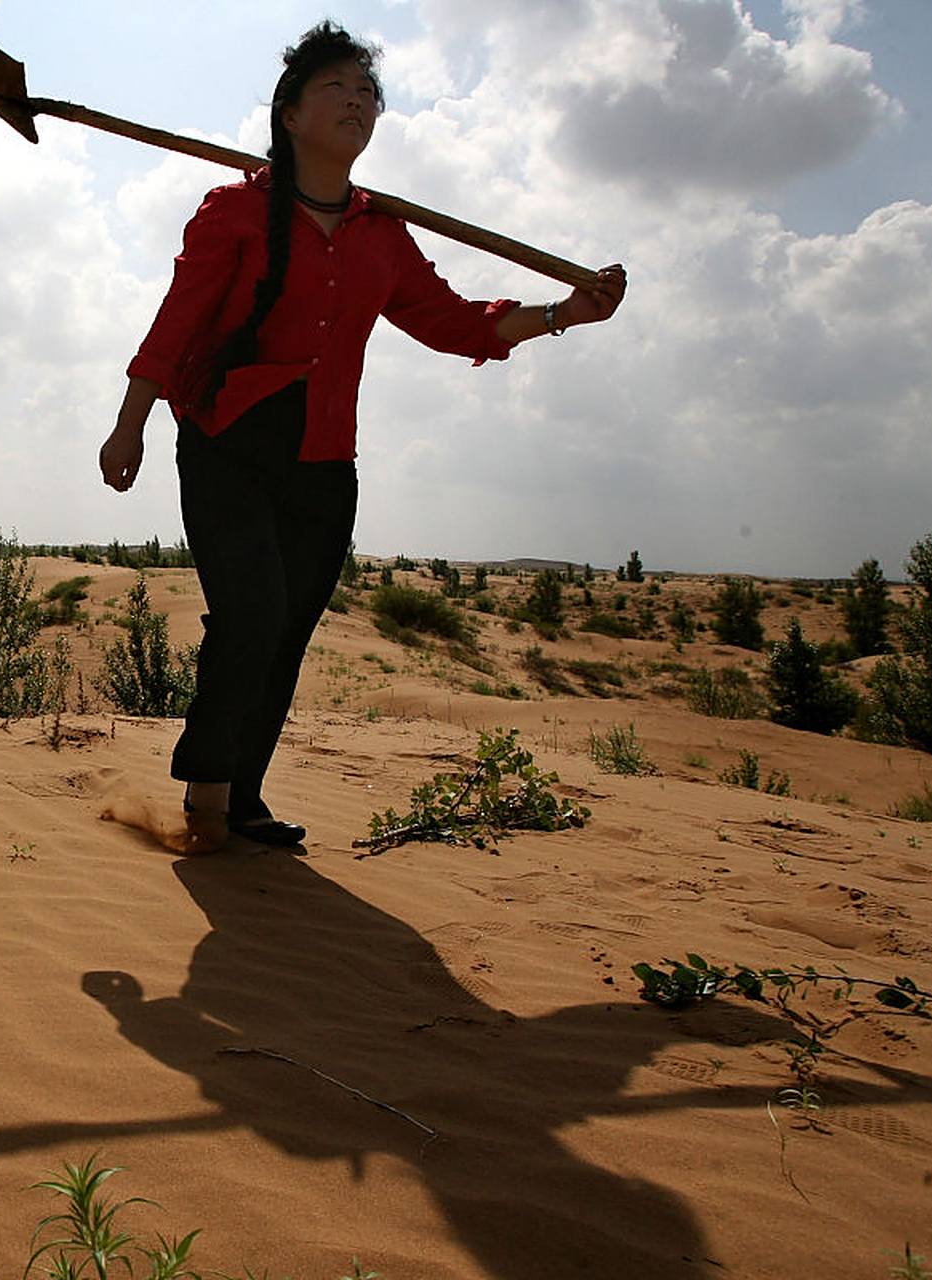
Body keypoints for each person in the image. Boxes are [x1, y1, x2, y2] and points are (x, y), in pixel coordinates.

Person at [97, 22, 626, 851]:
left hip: (323, 457)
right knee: (251, 613)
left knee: (287, 628)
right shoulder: (234, 211)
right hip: (228, 440)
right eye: (336, 87)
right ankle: (205, 800)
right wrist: (127, 425)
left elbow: (451, 321)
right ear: (290, 113)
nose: (357, 100)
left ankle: (244, 798)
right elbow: (175, 326)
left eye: (368, 92)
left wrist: (564, 313)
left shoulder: (383, 232)